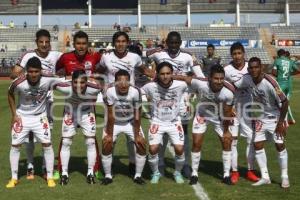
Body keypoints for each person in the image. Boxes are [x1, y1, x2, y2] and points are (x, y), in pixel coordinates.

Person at [146, 31, 204, 178]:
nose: (173, 46)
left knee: (182, 132)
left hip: (181, 98)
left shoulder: (187, 56)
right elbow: (146, 55)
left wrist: (192, 90)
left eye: (176, 43)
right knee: (162, 133)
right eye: (170, 43)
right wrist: (158, 48)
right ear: (167, 43)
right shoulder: (159, 54)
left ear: (180, 43)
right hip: (161, 97)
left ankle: (185, 165)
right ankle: (160, 164)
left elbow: (200, 76)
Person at [97, 31, 153, 177]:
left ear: (127, 43)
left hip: (130, 99)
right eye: (118, 41)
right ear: (114, 43)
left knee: (133, 139)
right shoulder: (106, 57)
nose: (120, 44)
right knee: (110, 137)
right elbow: (98, 71)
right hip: (112, 99)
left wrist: (158, 77)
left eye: (123, 41)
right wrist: (102, 84)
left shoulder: (134, 57)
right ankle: (110, 165)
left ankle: (133, 164)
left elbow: (144, 70)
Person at [10, 29, 63, 180]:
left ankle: (47, 168)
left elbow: (71, 59)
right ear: (36, 42)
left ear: (50, 43)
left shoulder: (56, 55)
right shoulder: (28, 56)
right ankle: (30, 164)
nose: (44, 45)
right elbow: (14, 73)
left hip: (48, 100)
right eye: (41, 42)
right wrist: (20, 75)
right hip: (28, 101)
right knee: (29, 136)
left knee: (47, 135)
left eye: (47, 42)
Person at [174, 64, 236, 185]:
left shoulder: (229, 91)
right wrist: (166, 76)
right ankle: (194, 173)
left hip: (219, 117)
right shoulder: (200, 83)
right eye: (216, 78)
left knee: (227, 141)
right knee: (196, 143)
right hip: (202, 114)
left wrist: (227, 130)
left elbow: (228, 112)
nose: (219, 81)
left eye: (221, 78)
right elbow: (184, 78)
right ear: (209, 78)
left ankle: (226, 174)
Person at [234, 57, 290, 188]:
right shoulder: (246, 78)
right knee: (257, 145)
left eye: (256, 67)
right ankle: (265, 177)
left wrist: (281, 123)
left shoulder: (270, 82)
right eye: (251, 68)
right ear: (248, 69)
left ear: (261, 68)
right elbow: (234, 86)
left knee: (279, 145)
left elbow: (285, 102)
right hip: (260, 117)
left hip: (275, 116)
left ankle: (284, 176)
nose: (254, 70)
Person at [55, 30, 102, 179]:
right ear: (73, 44)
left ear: (88, 44)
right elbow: (57, 72)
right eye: (78, 43)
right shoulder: (66, 57)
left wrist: (96, 79)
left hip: (88, 106)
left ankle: (95, 169)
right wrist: (66, 77)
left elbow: (104, 68)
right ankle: (60, 169)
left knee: (91, 139)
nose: (81, 46)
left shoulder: (95, 56)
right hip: (71, 105)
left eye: (84, 43)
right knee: (65, 139)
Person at [142, 62, 187, 184]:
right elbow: (136, 92)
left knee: (179, 149)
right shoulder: (150, 87)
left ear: (172, 74)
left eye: (168, 73)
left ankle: (177, 173)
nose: (165, 76)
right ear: (158, 75)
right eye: (162, 74)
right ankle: (155, 173)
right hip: (157, 122)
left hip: (174, 122)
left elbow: (195, 85)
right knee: (153, 149)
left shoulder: (181, 85)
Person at [54, 70, 101, 185]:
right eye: (75, 82)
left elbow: (104, 86)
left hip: (87, 113)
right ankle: (64, 173)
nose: (79, 85)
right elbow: (50, 81)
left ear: (87, 82)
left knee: (90, 142)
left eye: (82, 82)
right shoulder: (63, 86)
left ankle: (90, 172)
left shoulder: (95, 87)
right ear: (71, 82)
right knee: (66, 142)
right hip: (70, 113)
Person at [101, 70, 146, 185]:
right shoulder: (109, 91)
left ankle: (138, 175)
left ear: (130, 82)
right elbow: (110, 116)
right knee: (107, 143)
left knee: (141, 143)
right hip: (114, 122)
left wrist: (137, 136)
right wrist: (110, 135)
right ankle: (107, 175)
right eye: (120, 81)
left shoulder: (136, 91)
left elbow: (137, 115)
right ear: (115, 82)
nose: (123, 84)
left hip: (130, 122)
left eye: (126, 81)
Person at [224, 42, 260, 184]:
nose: (237, 56)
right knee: (233, 141)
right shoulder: (227, 70)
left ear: (244, 53)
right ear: (231, 55)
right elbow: (223, 89)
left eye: (239, 53)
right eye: (234, 54)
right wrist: (228, 107)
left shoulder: (250, 67)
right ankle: (234, 171)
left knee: (251, 139)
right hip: (232, 110)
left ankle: (250, 171)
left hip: (248, 108)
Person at [272, 49, 300, 125]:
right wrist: (290, 74)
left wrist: (279, 76)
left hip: (280, 84)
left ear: (278, 55)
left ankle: (281, 120)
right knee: (285, 102)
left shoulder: (277, 60)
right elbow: (298, 70)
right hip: (288, 85)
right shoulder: (290, 61)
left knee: (277, 101)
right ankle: (286, 121)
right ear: (284, 54)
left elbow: (273, 72)